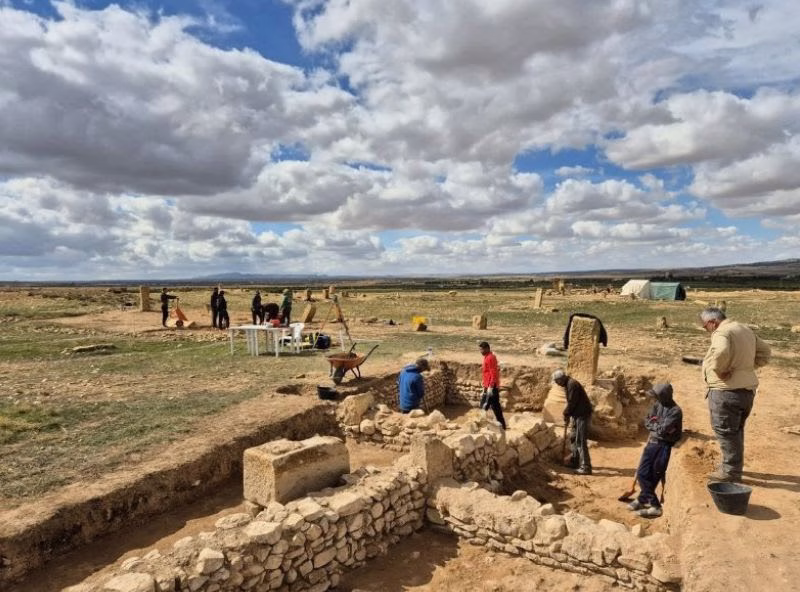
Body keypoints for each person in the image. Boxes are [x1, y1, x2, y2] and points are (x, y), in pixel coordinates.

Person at [700, 307, 771, 482]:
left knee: (726, 431)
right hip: (746, 392)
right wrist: (745, 370)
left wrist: (720, 370)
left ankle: (730, 473)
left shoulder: (722, 332)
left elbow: (722, 352)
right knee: (736, 431)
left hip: (726, 392)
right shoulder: (744, 329)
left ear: (712, 322)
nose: (706, 330)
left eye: (705, 327)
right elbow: (765, 352)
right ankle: (731, 466)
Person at [628, 383, 683, 518]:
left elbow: (662, 430)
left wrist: (655, 424)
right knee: (642, 473)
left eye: (657, 396)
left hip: (663, 446)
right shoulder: (658, 405)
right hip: (653, 443)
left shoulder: (675, 411)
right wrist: (656, 425)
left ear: (664, 396)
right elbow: (647, 421)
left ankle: (655, 506)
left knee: (653, 476)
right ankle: (643, 499)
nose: (655, 399)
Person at [552, 369, 593, 475]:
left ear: (561, 379)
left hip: (582, 415)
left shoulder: (572, 384)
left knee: (580, 440)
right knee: (573, 438)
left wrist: (566, 413)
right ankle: (575, 461)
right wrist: (569, 414)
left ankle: (586, 467)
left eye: (557, 381)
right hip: (576, 415)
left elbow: (572, 402)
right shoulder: (568, 384)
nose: (557, 384)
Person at [479, 341, 506, 429]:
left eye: (481, 349)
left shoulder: (490, 358)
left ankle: (479, 425)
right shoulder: (488, 357)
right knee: (496, 407)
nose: (480, 351)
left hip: (491, 386)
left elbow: (493, 373)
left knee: (483, 406)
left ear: (487, 349)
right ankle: (502, 426)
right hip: (490, 385)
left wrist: (490, 386)